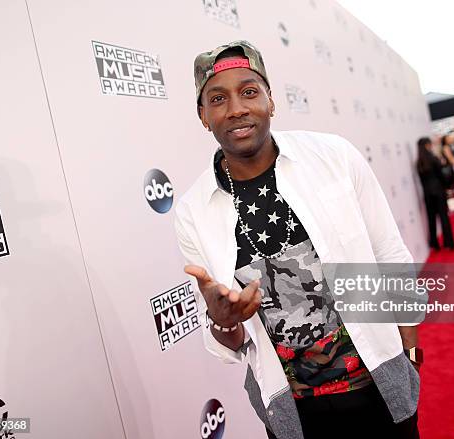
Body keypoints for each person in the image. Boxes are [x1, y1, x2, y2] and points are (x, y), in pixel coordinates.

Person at [174, 41, 421, 439]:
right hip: (294, 413)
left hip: (379, 383)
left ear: (271, 100)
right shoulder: (193, 211)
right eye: (217, 98)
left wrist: (409, 347)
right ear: (203, 116)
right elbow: (228, 341)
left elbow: (389, 252)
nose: (236, 108)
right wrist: (222, 323)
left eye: (249, 91)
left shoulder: (334, 156)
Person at [416, 137, 454, 250]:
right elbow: (441, 175)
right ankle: (449, 243)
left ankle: (434, 243)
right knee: (444, 218)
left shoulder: (419, 162)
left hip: (427, 195)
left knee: (431, 219)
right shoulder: (433, 159)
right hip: (438, 192)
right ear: (427, 145)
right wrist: (447, 187)